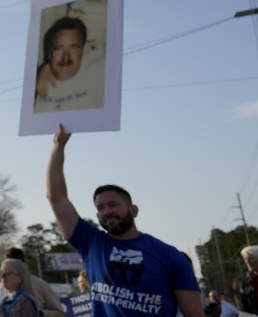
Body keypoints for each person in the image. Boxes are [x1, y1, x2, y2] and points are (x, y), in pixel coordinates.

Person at [46, 123, 204, 317]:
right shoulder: (91, 244)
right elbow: (56, 197)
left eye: (113, 205)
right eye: (101, 208)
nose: (107, 211)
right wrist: (58, 147)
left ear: (134, 210)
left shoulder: (169, 256)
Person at [3, 247, 65, 317]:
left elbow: (61, 314)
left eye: (8, 272)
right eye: (3, 272)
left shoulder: (41, 285)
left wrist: (39, 313)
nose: (4, 277)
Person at [239, 246, 258, 315]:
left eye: (250, 259)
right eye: (245, 259)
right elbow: (244, 308)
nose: (247, 262)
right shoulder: (245, 283)